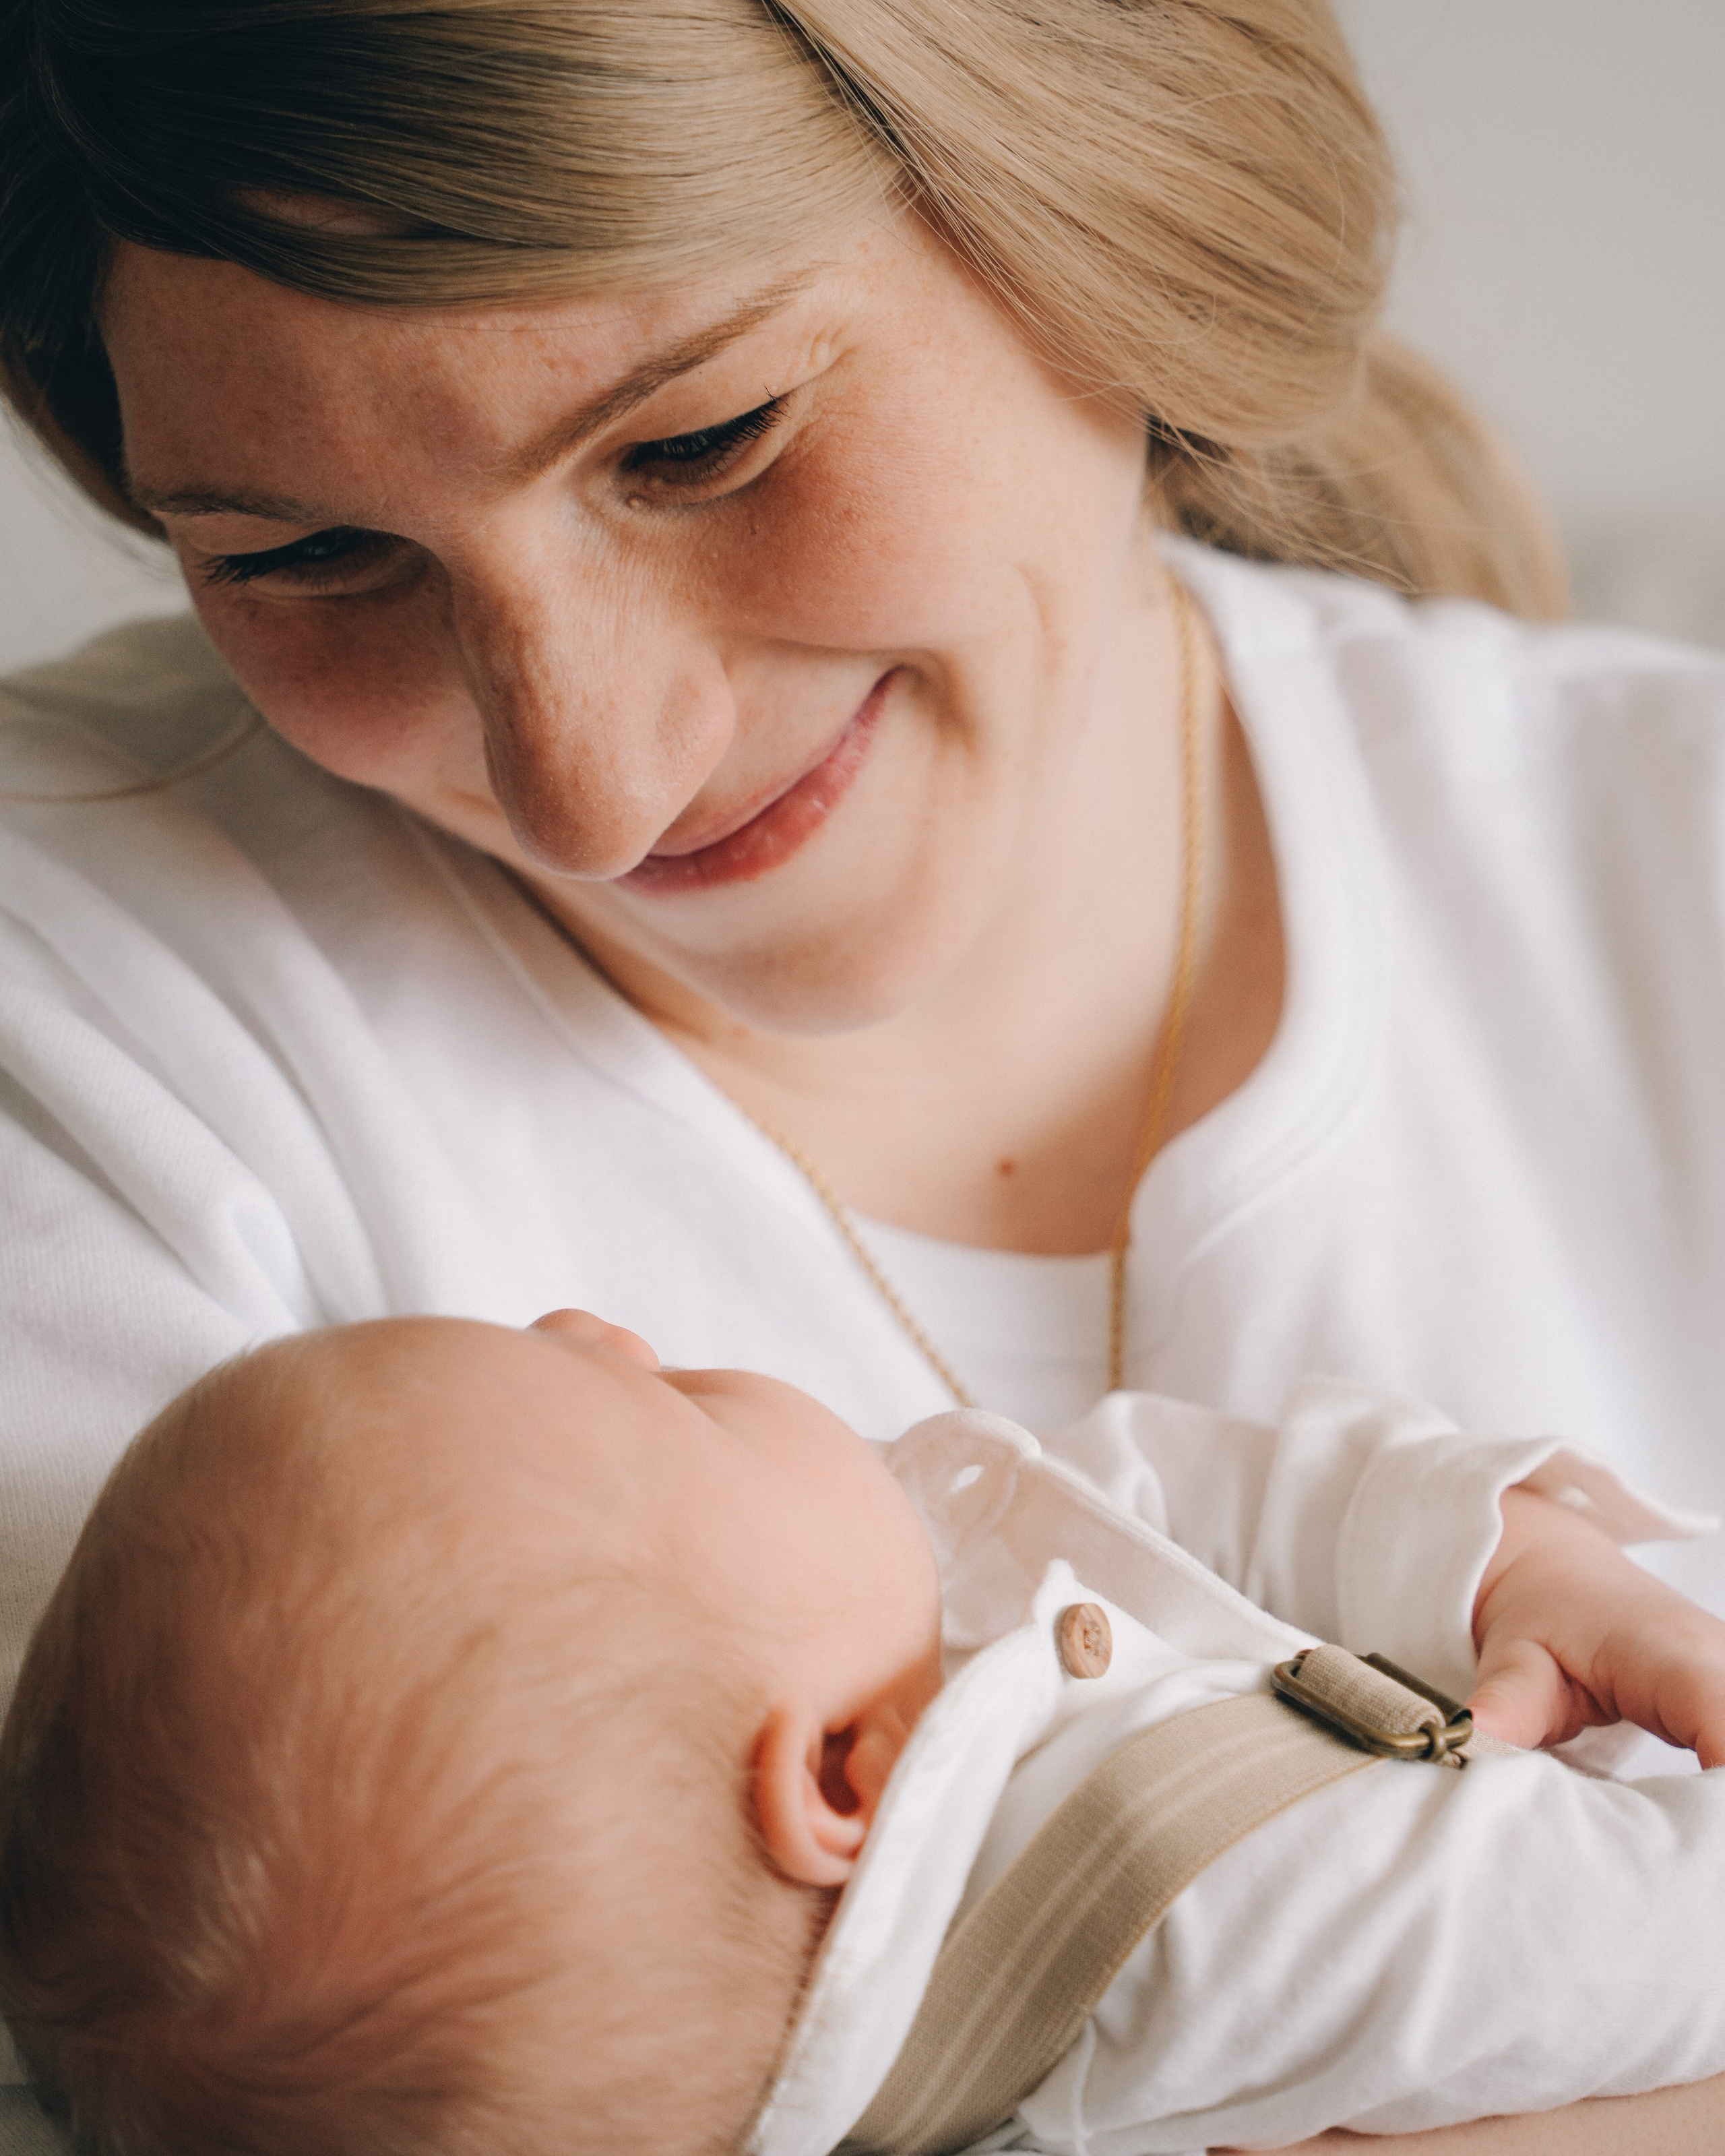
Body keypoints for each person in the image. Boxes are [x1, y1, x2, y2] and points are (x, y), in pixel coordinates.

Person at [5, 2, 1725, 2147]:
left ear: (1089, 197)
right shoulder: (63, 999)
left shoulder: (1675, 859)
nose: (592, 779)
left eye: (702, 437)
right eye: (304, 556)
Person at [5, 1308, 1725, 2156]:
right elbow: (1649, 1937)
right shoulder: (1200, 1912)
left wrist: (1501, 1555)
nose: (598, 1320)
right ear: (838, 1774)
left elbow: (1141, 1508)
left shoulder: (902, 1720)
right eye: (657, 1399)